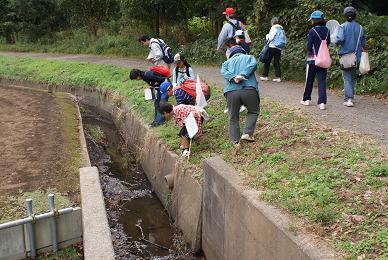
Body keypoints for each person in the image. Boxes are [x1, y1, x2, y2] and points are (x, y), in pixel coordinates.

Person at [221, 39, 260, 146]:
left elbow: (224, 72)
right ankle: (247, 133)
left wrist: (233, 77)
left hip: (231, 92)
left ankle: (236, 142)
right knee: (253, 111)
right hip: (249, 89)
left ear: (231, 54)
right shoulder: (249, 57)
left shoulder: (226, 63)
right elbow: (253, 65)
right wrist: (242, 74)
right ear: (243, 51)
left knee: (233, 117)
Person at [300, 10, 331, 110]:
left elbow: (309, 46)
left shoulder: (312, 31)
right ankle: (322, 103)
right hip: (323, 59)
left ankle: (306, 99)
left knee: (309, 80)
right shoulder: (327, 30)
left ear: (314, 20)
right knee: (322, 81)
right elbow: (328, 43)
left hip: (312, 59)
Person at [336, 6, 366, 107]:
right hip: (357, 57)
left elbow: (339, 39)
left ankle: (348, 99)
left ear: (345, 15)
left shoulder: (342, 26)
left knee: (347, 77)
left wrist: (334, 40)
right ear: (355, 15)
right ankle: (351, 97)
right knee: (352, 77)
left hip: (345, 56)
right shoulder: (360, 27)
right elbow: (363, 43)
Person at [260, 17, 285, 82]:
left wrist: (267, 35)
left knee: (267, 61)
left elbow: (270, 38)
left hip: (272, 47)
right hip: (279, 47)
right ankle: (278, 77)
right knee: (277, 62)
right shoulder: (281, 29)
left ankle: (265, 76)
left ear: (272, 22)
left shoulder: (273, 28)